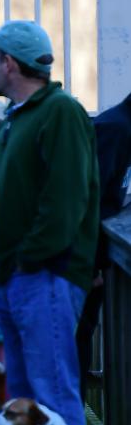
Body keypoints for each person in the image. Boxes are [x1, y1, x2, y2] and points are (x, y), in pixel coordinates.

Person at [0, 20, 109, 425]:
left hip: (45, 275)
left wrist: (30, 258)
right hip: (19, 275)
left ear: (10, 63)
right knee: (28, 386)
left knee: (53, 385)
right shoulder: (20, 116)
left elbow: (66, 200)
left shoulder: (60, 113)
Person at [77, 90, 131, 398]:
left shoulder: (121, 125)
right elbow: (91, 198)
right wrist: (93, 264)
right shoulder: (115, 128)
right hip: (87, 258)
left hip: (93, 255)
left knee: (83, 335)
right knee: (78, 339)